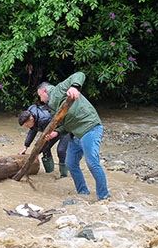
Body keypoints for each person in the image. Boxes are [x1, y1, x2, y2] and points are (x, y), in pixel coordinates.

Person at [37, 72, 110, 200]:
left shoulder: (59, 89)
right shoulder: (53, 107)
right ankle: (83, 192)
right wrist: (57, 132)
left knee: (92, 163)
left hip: (89, 128)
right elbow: (66, 124)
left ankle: (104, 196)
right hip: (75, 134)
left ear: (44, 91)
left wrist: (74, 87)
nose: (41, 100)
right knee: (71, 164)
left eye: (40, 96)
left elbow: (80, 74)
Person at [17, 105, 70, 177]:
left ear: (31, 119)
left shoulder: (44, 119)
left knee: (61, 150)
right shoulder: (31, 113)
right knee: (45, 149)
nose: (26, 127)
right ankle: (50, 172)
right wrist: (26, 146)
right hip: (52, 130)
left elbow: (44, 140)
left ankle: (64, 175)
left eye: (26, 125)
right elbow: (33, 130)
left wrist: (36, 153)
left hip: (65, 128)